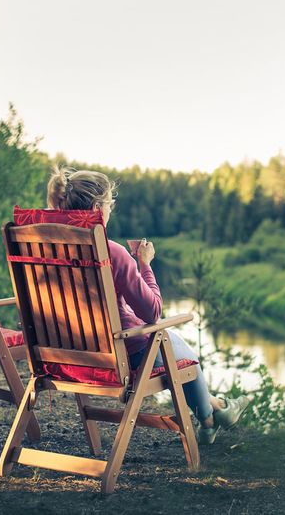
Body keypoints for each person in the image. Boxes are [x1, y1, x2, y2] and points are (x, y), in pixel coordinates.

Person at [47, 166, 250, 444]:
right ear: (96, 207)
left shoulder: (45, 251)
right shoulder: (112, 253)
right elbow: (152, 312)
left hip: (68, 356)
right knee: (173, 344)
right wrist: (144, 264)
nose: (109, 210)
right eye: (108, 204)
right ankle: (211, 416)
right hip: (123, 354)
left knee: (172, 348)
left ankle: (216, 410)